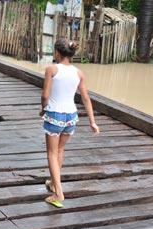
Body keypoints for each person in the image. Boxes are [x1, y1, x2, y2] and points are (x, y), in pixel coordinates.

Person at [41, 38, 100, 208]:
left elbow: (45, 95)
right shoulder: (79, 72)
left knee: (51, 153)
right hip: (71, 117)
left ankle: (58, 192)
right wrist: (92, 122)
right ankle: (53, 183)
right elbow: (86, 98)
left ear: (57, 53)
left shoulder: (52, 69)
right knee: (60, 150)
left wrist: (43, 109)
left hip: (55, 114)